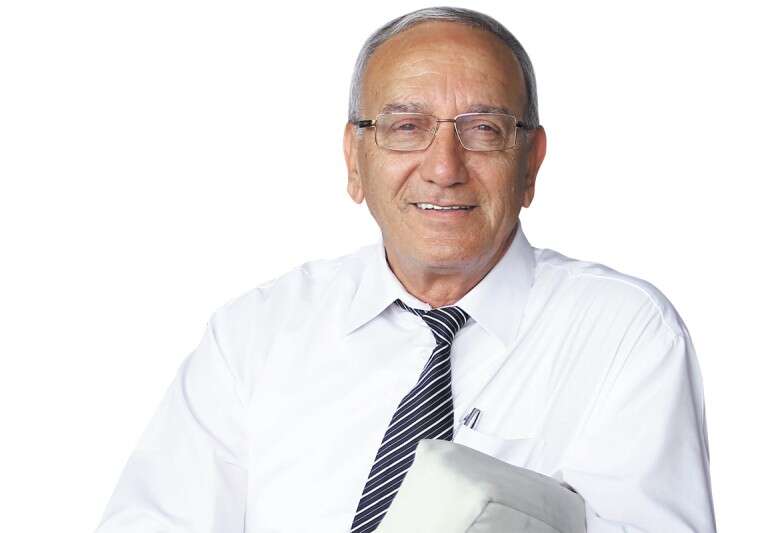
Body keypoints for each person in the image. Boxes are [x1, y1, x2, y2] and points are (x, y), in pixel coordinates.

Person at [96, 7, 716, 533]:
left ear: (530, 162)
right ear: (354, 159)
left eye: (483, 130)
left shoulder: (624, 333)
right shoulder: (253, 335)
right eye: (406, 127)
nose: (444, 167)